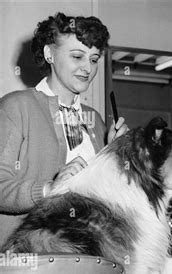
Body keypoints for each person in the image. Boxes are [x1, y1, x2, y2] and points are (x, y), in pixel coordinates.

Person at [0, 12, 128, 247]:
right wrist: (50, 188)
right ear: (49, 53)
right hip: (28, 258)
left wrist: (114, 154)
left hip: (90, 255)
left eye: (94, 59)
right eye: (77, 56)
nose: (87, 68)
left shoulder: (96, 121)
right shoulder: (16, 106)